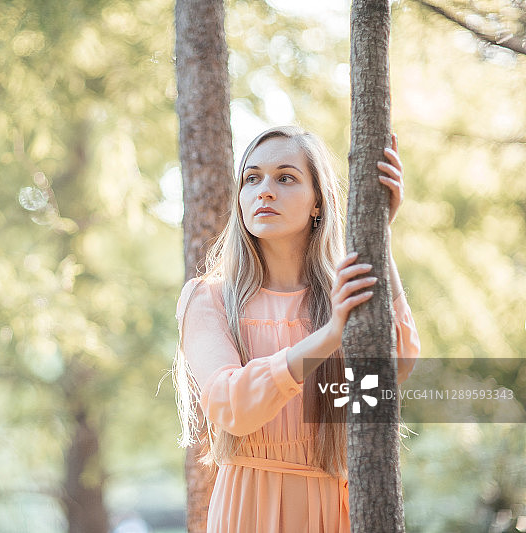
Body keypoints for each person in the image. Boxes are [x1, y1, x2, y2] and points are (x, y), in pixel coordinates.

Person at [173, 125, 420, 533]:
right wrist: (329, 336)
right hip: (248, 509)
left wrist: (380, 235)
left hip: (337, 510)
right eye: (252, 178)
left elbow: (395, 368)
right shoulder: (209, 298)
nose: (264, 191)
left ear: (318, 202)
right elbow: (231, 405)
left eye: (285, 178)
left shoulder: (342, 295)